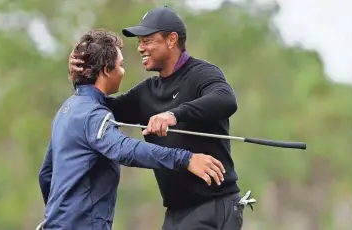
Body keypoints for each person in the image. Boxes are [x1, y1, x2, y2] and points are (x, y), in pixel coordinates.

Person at [69, 6, 251, 230]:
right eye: (139, 42)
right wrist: (82, 79)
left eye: (147, 40)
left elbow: (225, 100)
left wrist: (174, 114)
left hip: (214, 206)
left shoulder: (202, 73)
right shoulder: (147, 92)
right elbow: (99, 108)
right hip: (175, 213)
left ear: (172, 40)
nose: (140, 48)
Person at [38, 29, 226, 230]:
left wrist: (57, 217)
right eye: (121, 65)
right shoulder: (93, 115)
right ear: (107, 71)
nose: (122, 71)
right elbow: (125, 150)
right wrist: (186, 159)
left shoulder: (67, 110)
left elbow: (46, 174)